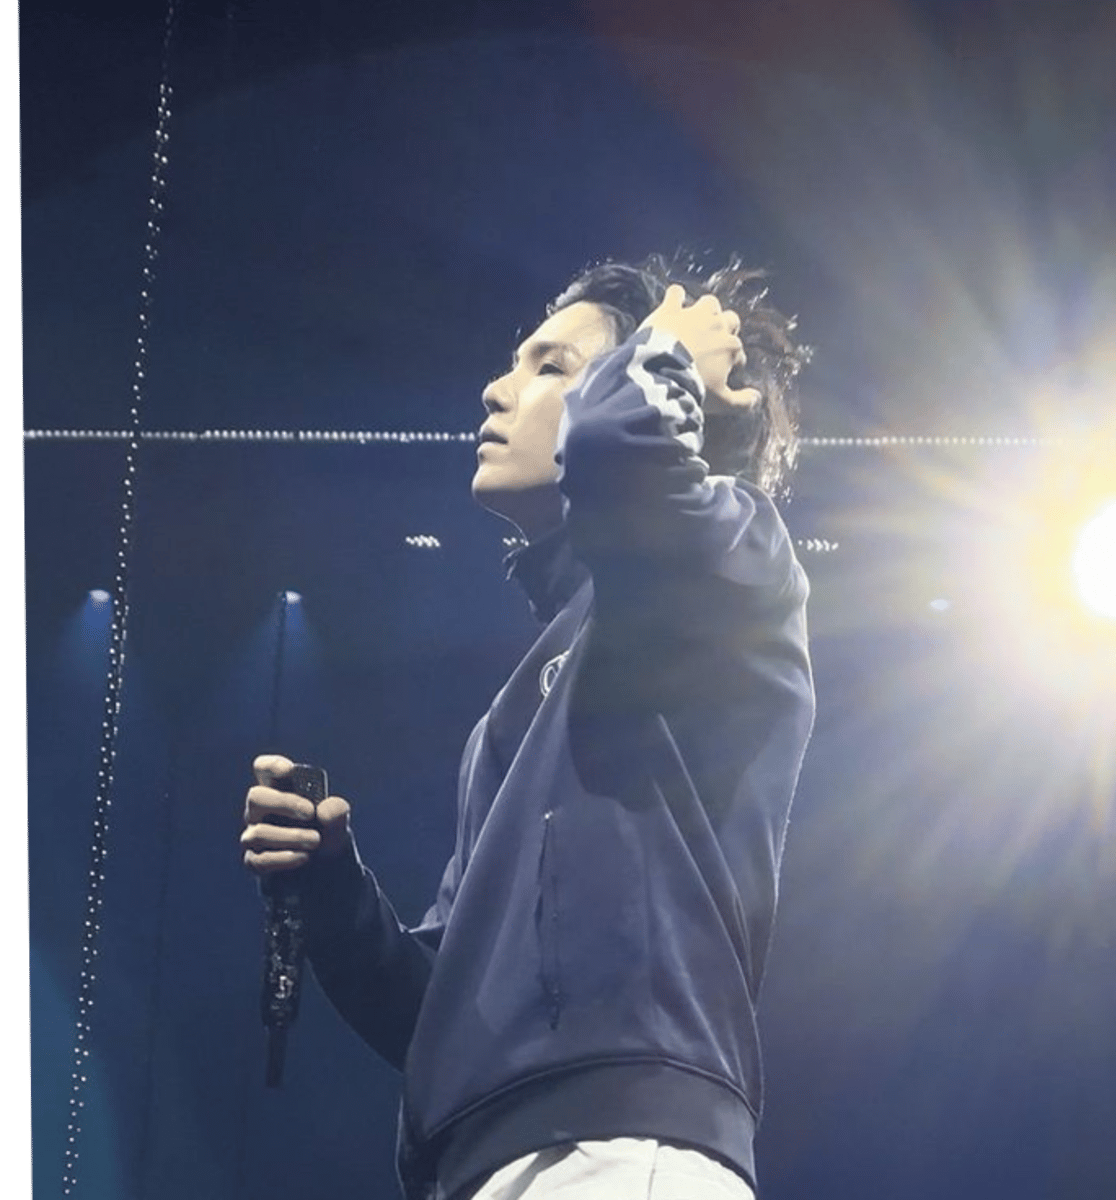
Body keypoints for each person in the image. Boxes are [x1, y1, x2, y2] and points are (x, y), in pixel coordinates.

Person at [241, 255, 817, 1200]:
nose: (497, 387)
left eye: (551, 366)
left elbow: (627, 458)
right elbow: (439, 1016)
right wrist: (331, 890)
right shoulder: (520, 704)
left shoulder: (731, 560)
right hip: (491, 1165)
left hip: (624, 1148)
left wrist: (665, 351)